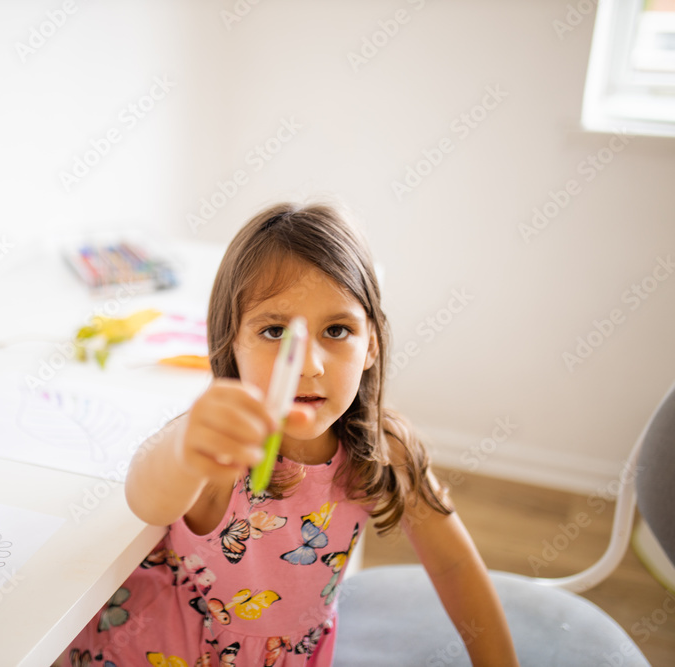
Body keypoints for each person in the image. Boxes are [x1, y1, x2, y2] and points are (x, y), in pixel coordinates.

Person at [59, 202, 519, 666]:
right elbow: (148, 499)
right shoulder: (220, 446)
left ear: (371, 345)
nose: (309, 365)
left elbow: (455, 566)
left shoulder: (384, 450)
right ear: (231, 343)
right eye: (275, 331)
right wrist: (186, 447)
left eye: (337, 330)